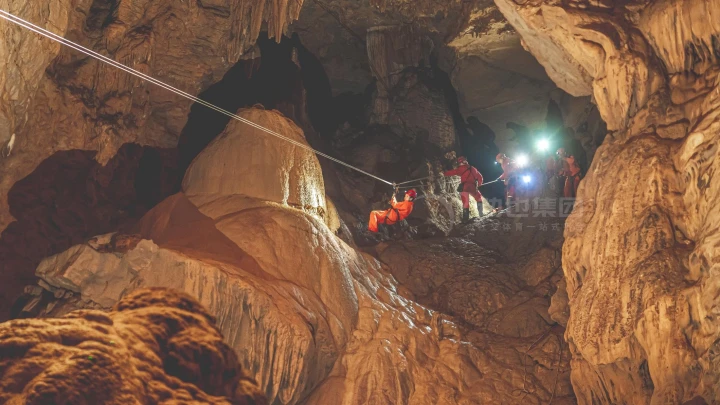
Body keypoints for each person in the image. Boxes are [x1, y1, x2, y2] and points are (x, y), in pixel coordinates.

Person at [443, 156, 484, 222]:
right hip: (473, 187)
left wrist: (444, 173)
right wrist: (478, 185)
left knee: (465, 202)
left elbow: (453, 172)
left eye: (459, 163)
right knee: (478, 198)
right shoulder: (473, 168)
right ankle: (481, 214)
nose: (459, 164)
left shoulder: (461, 168)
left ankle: (465, 219)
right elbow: (480, 177)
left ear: (461, 162)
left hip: (465, 187)